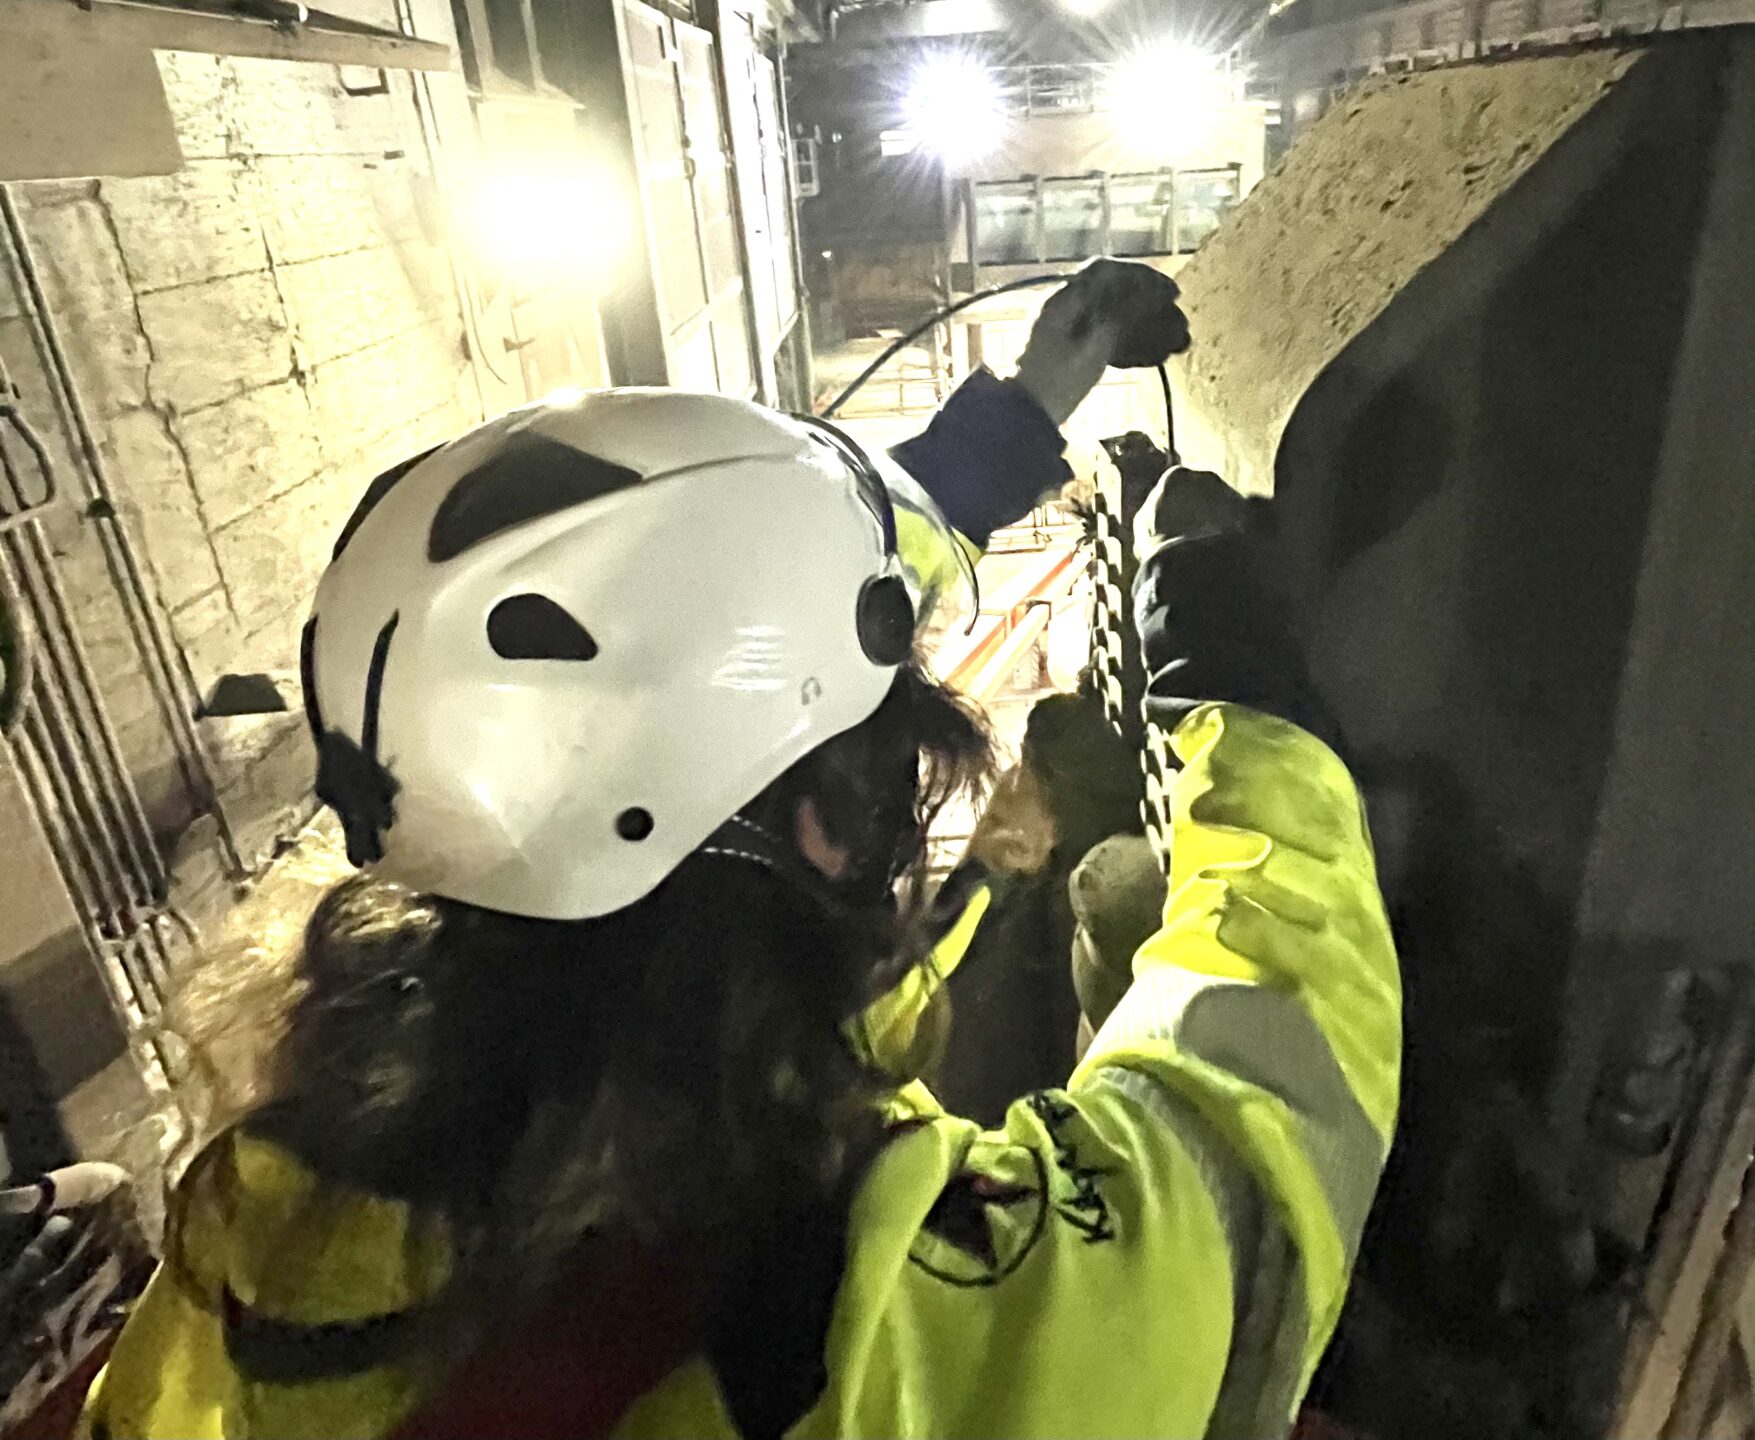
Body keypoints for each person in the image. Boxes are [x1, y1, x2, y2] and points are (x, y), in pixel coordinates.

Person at [83, 261, 1401, 1439]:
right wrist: (1250, 720)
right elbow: (1250, 1132)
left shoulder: (278, 1222)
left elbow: (717, 676)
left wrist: (993, 446)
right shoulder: (873, 1332)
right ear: (829, 828)